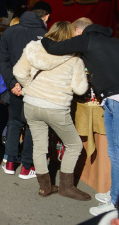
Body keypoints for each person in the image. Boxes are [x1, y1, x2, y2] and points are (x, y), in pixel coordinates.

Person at [40, 18, 119, 216]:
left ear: (77, 31)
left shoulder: (87, 39)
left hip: (115, 100)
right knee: (114, 152)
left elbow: (54, 47)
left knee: (116, 154)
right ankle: (114, 195)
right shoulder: (113, 40)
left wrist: (40, 36)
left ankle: (115, 202)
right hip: (110, 100)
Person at [13, 21, 89, 200]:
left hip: (31, 102)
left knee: (39, 145)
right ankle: (66, 186)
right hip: (56, 106)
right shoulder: (74, 58)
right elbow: (80, 89)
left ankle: (45, 187)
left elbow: (18, 71)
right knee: (74, 145)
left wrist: (28, 86)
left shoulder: (33, 48)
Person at [0, 1, 52, 181]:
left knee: (15, 122)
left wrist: (12, 83)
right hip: (35, 87)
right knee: (32, 125)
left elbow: (1, 61)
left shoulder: (10, 32)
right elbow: (47, 66)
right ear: (46, 17)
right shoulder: (45, 35)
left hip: (15, 86)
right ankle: (27, 166)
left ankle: (10, 162)